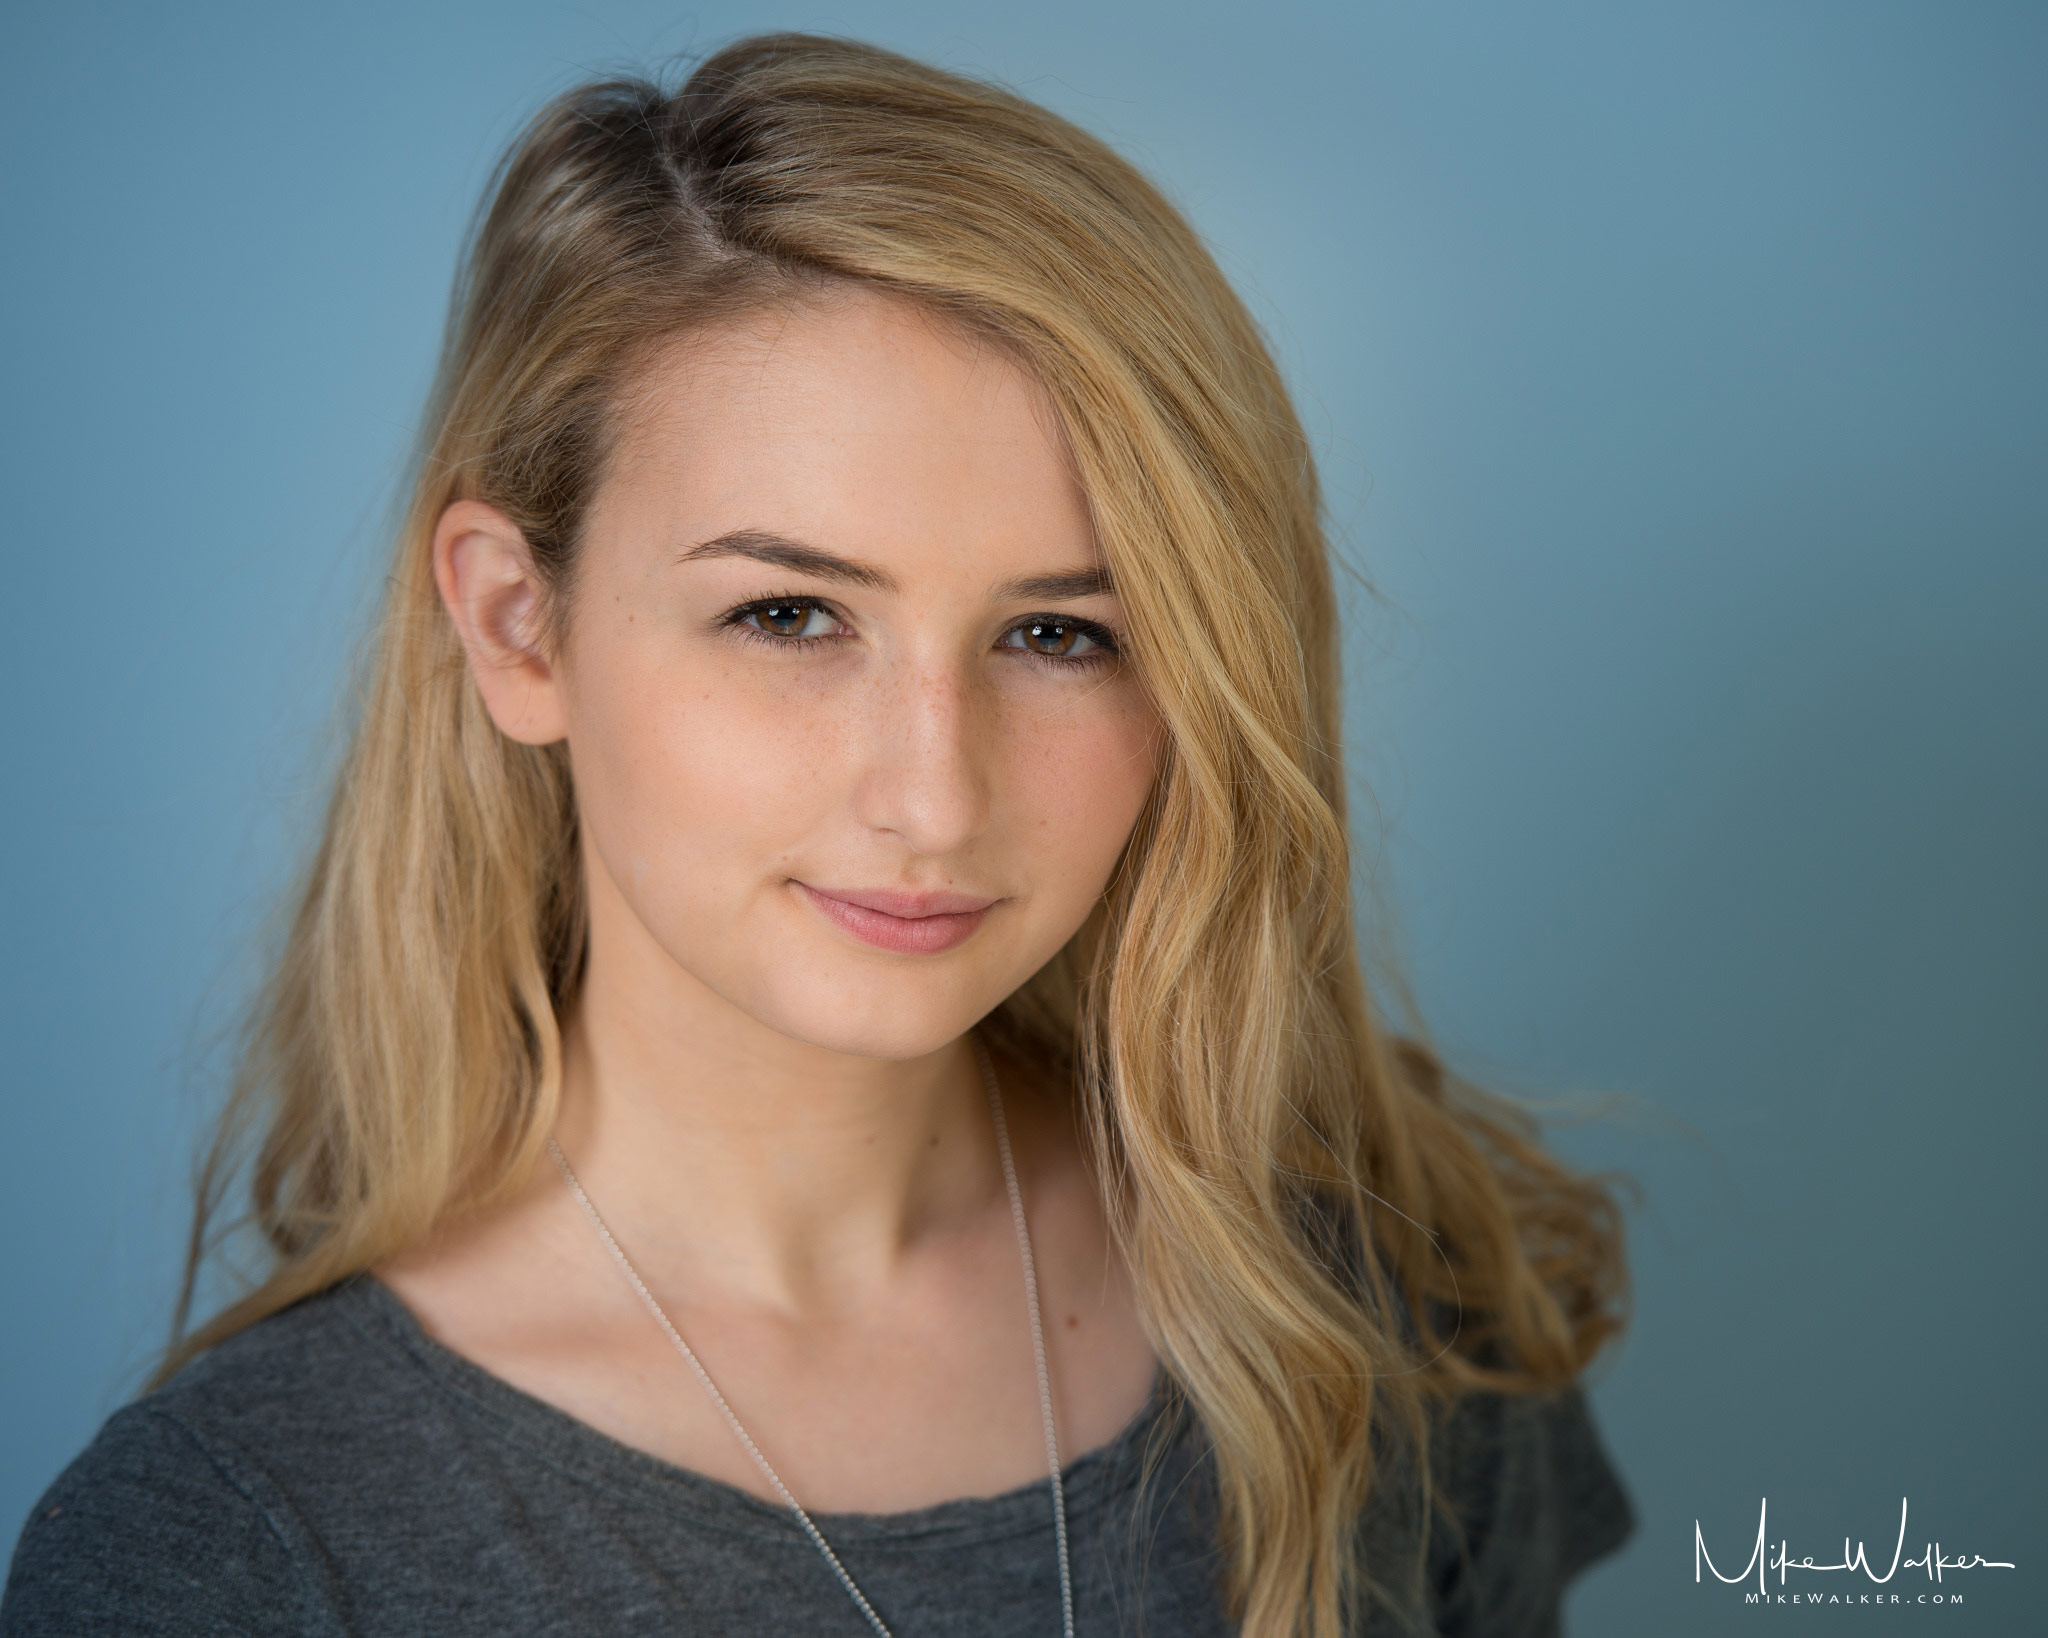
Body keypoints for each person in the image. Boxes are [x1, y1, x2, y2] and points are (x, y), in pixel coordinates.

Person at [1, 33, 1635, 1638]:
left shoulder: (1369, 1316)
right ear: (519, 628)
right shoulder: (235, 1551)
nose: (933, 798)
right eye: (790, 613)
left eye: (1062, 634)